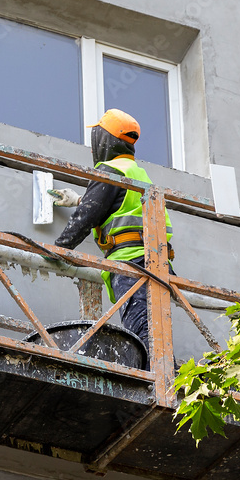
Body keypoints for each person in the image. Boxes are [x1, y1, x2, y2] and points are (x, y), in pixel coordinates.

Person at [49, 109, 173, 357]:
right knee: (155, 328)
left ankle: (152, 377)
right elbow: (119, 204)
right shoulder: (139, 174)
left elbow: (88, 216)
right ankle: (159, 373)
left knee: (142, 330)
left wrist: (57, 249)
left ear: (103, 140)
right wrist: (79, 200)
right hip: (157, 264)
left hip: (132, 264)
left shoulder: (110, 170)